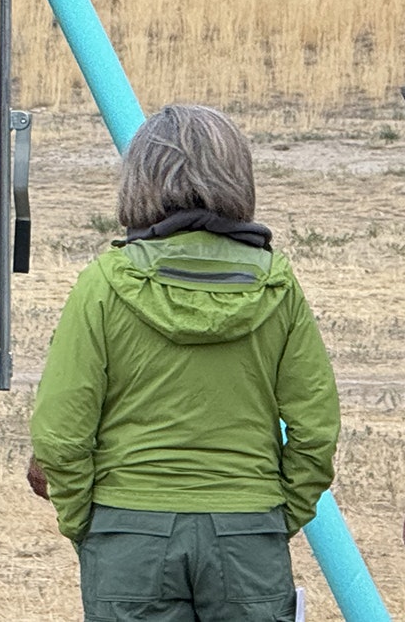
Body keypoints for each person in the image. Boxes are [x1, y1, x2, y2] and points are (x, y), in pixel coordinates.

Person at [30, 104, 340, 621]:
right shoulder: (277, 284)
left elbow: (61, 432)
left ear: (138, 179)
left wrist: (88, 520)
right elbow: (316, 429)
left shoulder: (105, 282)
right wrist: (274, 517)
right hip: (248, 530)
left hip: (127, 532)